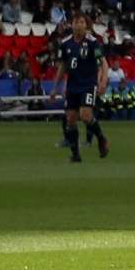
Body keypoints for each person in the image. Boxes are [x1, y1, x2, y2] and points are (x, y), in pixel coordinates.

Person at [55, 11, 109, 162]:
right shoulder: (66, 43)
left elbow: (103, 62)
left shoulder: (92, 42)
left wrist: (103, 81)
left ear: (86, 25)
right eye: (76, 22)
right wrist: (55, 87)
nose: (79, 25)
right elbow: (63, 66)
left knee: (85, 115)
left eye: (82, 22)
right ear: (71, 24)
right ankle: (76, 155)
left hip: (88, 84)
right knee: (71, 119)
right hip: (72, 85)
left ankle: (101, 138)